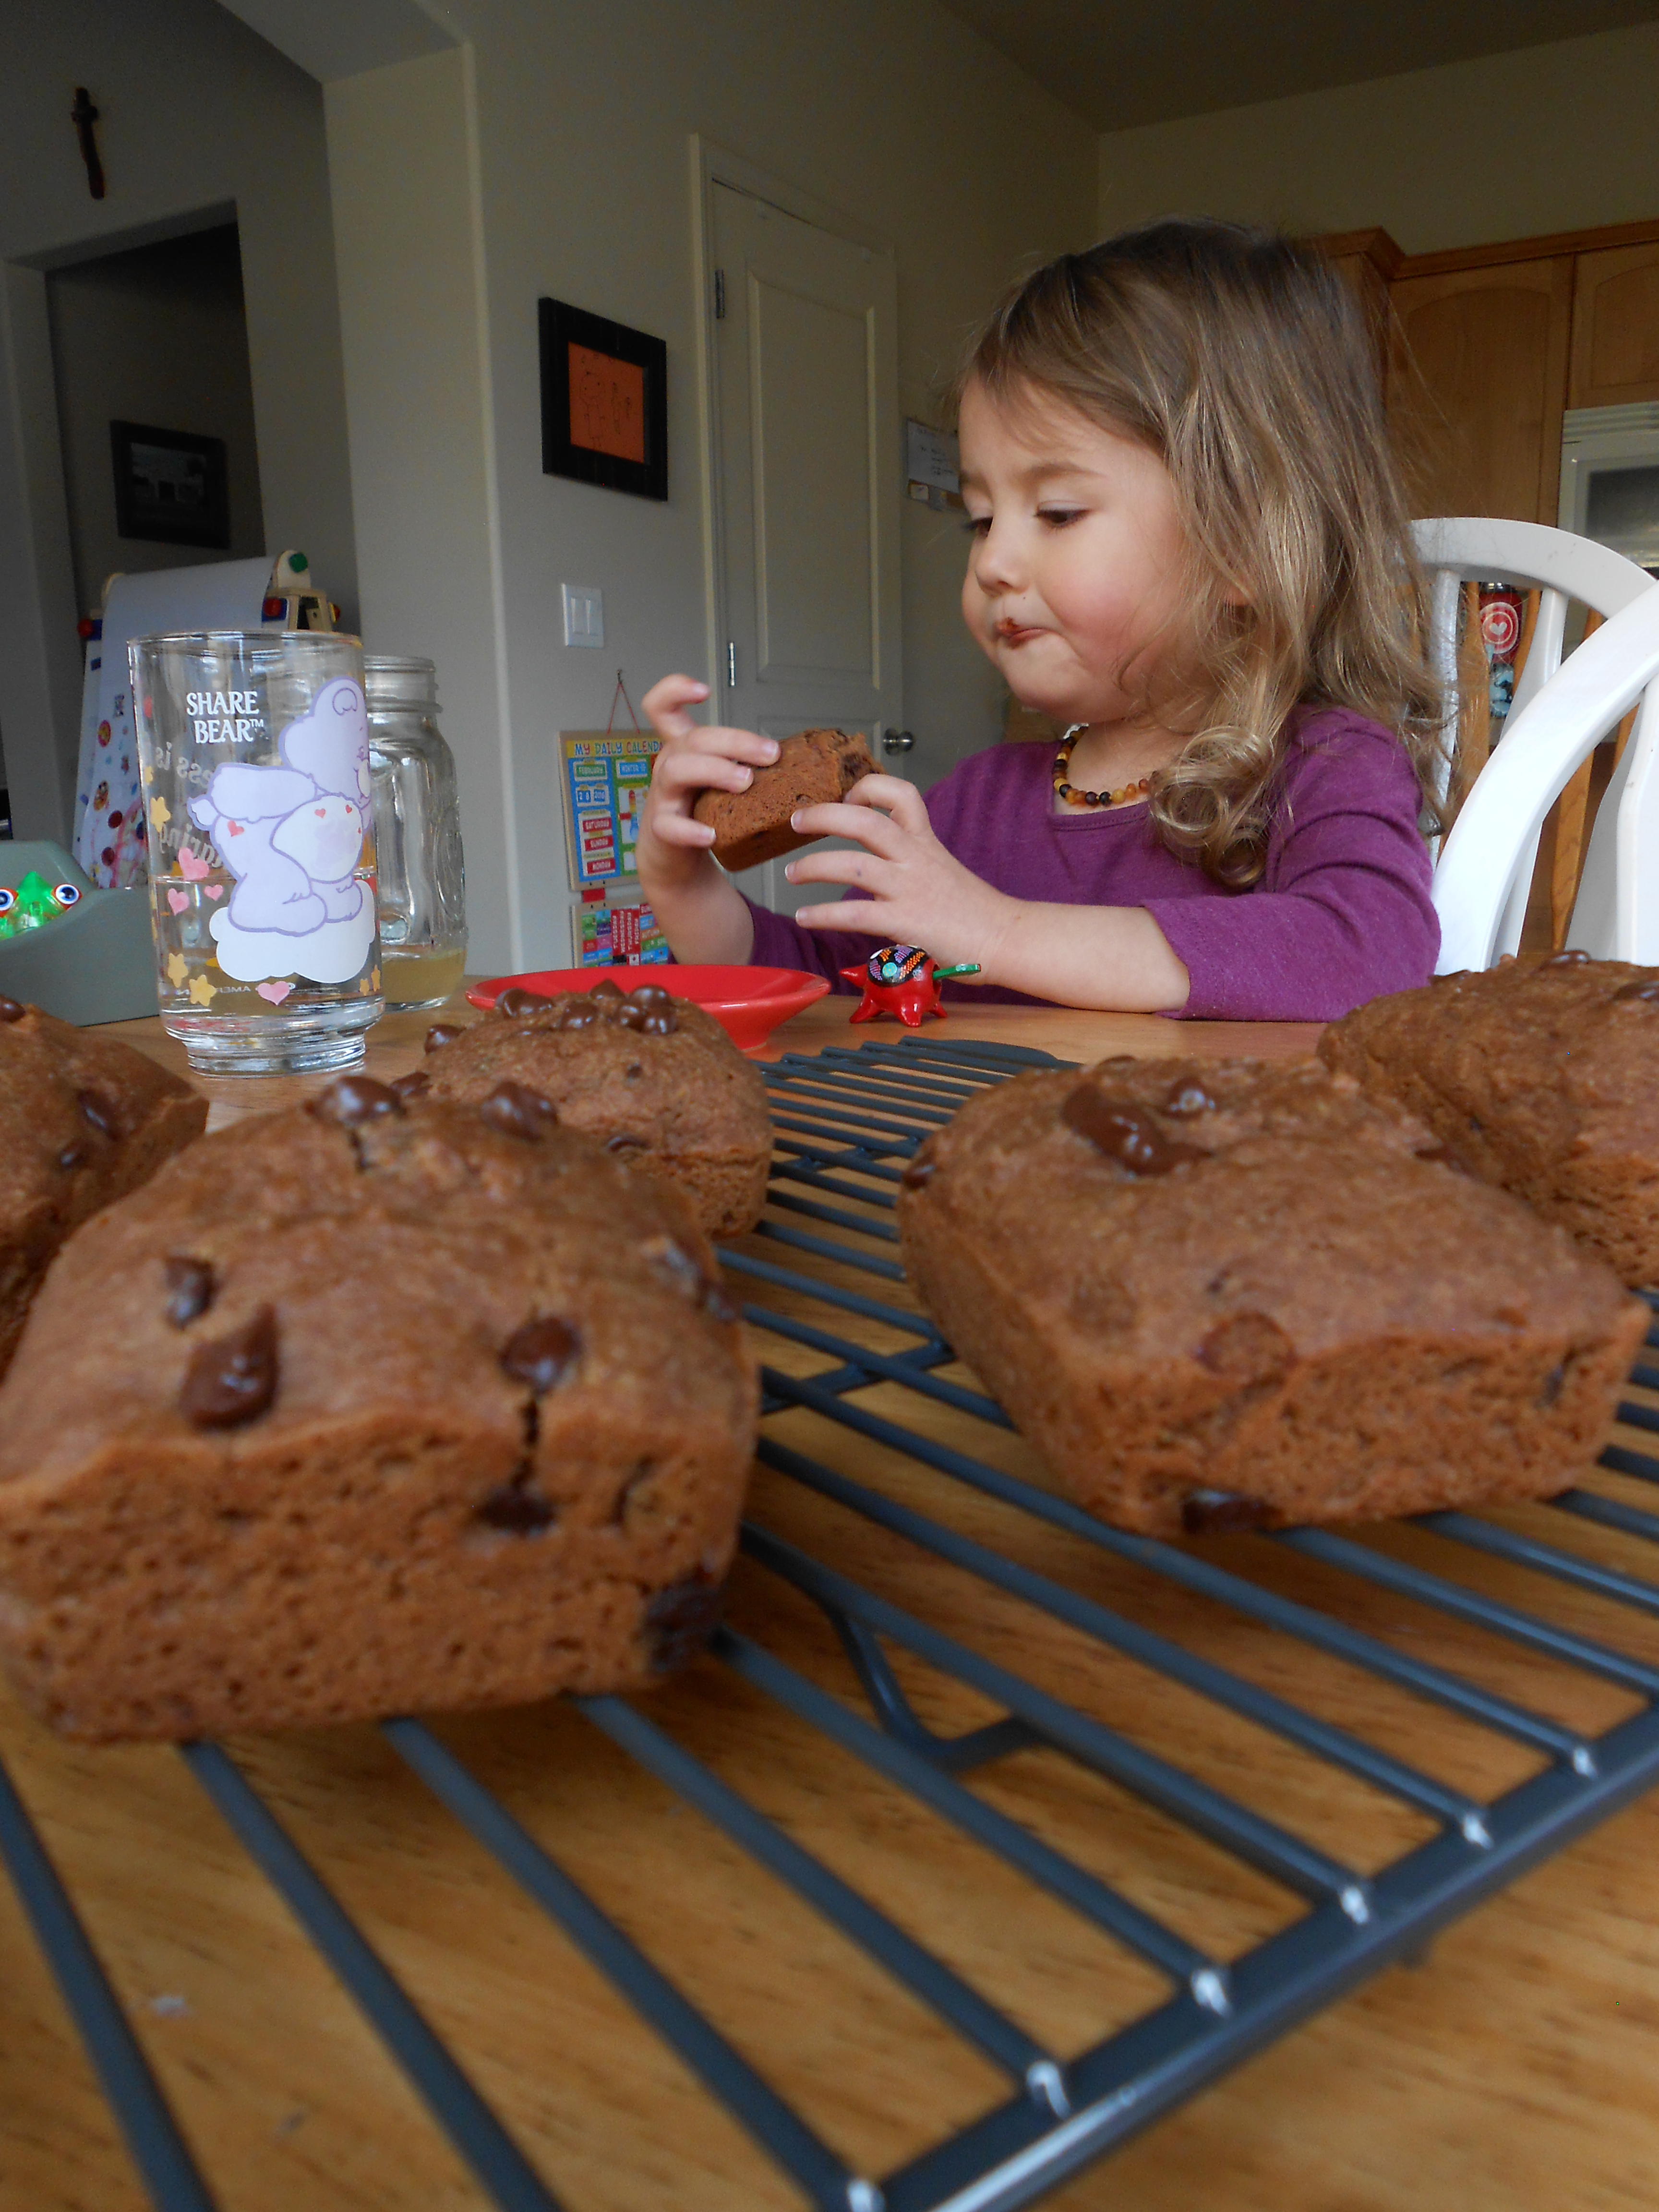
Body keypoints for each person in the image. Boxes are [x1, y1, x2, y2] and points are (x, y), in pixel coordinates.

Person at [635, 218, 1446, 1020]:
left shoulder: (1324, 765)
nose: (993, 563)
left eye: (1057, 513)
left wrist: (996, 930)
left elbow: (1367, 955)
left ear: (1243, 546)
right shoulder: (970, 806)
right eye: (982, 520)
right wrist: (687, 887)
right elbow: (838, 987)